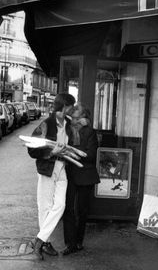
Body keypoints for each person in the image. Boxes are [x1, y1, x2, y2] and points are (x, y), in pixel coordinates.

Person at [28, 93, 75, 260]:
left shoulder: (69, 124)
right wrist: (51, 152)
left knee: (60, 205)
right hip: (48, 167)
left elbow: (72, 143)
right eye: (70, 106)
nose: (72, 109)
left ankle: (39, 240)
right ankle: (45, 243)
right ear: (64, 106)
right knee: (45, 207)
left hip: (62, 168)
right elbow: (32, 149)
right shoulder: (47, 123)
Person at [62, 104, 100, 255]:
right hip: (68, 174)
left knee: (82, 211)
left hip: (85, 175)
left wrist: (71, 152)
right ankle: (70, 244)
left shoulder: (89, 131)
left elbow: (91, 155)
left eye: (78, 118)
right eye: (73, 117)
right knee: (68, 209)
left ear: (84, 117)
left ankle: (78, 242)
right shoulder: (66, 130)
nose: (75, 121)